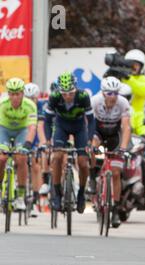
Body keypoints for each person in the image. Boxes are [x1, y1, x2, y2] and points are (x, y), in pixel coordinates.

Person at [44, 72, 95, 213]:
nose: (67, 97)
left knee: (83, 162)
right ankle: (57, 192)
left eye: (71, 93)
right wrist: (48, 140)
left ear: (76, 89)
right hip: (61, 127)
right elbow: (47, 121)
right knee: (57, 157)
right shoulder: (54, 97)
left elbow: (91, 121)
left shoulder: (83, 96)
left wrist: (90, 141)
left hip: (79, 128)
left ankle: (81, 194)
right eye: (64, 94)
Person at [89, 77, 131, 228]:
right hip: (98, 131)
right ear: (103, 93)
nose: (112, 96)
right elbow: (87, 124)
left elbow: (126, 128)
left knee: (115, 173)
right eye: (109, 93)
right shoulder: (94, 101)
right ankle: (92, 177)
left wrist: (123, 148)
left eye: (115, 93)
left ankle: (115, 209)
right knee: (91, 148)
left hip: (114, 134)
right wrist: (90, 146)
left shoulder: (123, 103)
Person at [0, 78, 37, 211]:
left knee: (21, 159)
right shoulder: (2, 103)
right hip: (3, 129)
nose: (15, 97)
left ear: (23, 93)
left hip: (22, 131)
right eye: (12, 94)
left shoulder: (30, 105)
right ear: (8, 94)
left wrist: (27, 145)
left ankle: (21, 197)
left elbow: (32, 128)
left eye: (18, 94)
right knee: (1, 158)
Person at [24, 83, 48, 211]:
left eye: (32, 98)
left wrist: (41, 142)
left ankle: (35, 196)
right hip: (24, 133)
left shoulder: (41, 106)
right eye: (27, 98)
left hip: (36, 135)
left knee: (35, 165)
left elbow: (39, 126)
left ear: (37, 97)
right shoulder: (22, 105)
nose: (30, 101)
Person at [122, 49, 145, 140]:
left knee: (144, 136)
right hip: (122, 115)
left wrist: (128, 78)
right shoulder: (122, 77)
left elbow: (144, 90)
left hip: (138, 117)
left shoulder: (144, 79)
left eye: (136, 65)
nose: (134, 67)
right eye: (131, 65)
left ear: (141, 67)